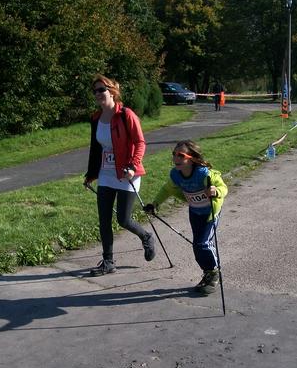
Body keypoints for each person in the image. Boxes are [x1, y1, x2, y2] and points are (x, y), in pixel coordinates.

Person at [84, 74, 155, 276]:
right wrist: (91, 174)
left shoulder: (126, 114)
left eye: (101, 89)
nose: (98, 93)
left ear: (112, 91)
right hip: (106, 174)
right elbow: (95, 148)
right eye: (95, 91)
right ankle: (108, 262)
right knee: (104, 220)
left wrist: (133, 165)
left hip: (126, 174)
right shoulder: (96, 118)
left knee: (123, 219)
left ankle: (146, 236)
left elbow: (140, 143)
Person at [142, 140, 228, 294]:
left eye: (181, 155)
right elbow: (167, 189)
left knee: (203, 243)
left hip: (210, 213)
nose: (176, 158)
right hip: (195, 211)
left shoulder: (204, 174)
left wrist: (216, 191)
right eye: (174, 154)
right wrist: (155, 204)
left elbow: (223, 187)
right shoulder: (176, 175)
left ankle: (214, 273)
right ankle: (207, 273)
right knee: (197, 245)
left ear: (192, 158)